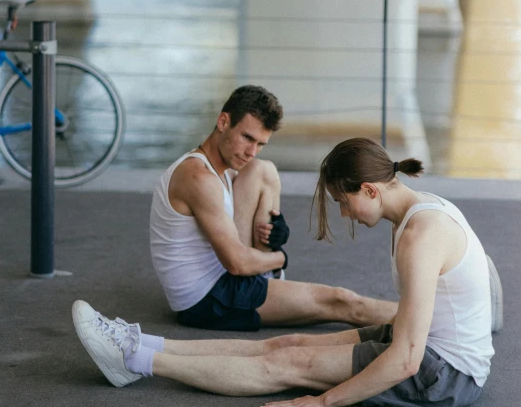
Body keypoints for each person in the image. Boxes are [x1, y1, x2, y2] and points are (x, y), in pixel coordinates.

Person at [72, 137, 499, 407]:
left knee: (287, 364)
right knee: (286, 342)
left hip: (445, 375)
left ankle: (133, 360)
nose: (345, 213)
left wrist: (326, 401)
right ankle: (139, 340)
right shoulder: (421, 209)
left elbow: (407, 359)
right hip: (430, 349)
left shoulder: (419, 235)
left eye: (343, 202)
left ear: (369, 189)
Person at [149, 84, 397, 331]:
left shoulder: (221, 168)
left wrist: (278, 230)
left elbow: (248, 202)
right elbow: (237, 264)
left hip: (227, 276)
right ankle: (426, 323)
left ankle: (267, 273)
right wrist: (279, 257)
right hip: (208, 299)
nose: (250, 151)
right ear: (223, 122)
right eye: (247, 138)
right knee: (341, 301)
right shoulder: (199, 178)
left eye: (260, 143)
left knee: (262, 169)